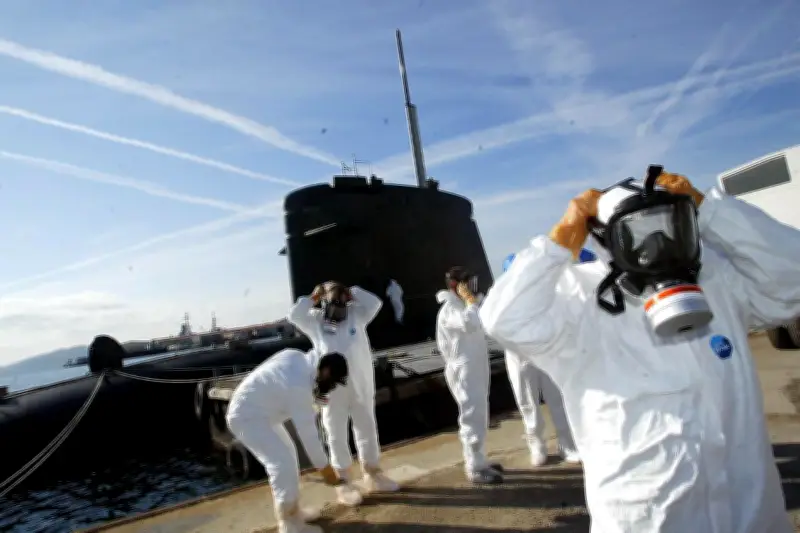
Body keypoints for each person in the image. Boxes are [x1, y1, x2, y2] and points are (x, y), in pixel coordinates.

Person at [479, 170, 800, 532]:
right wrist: (559, 241)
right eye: (639, 232)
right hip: (649, 519)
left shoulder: (716, 281)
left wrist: (713, 211)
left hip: (750, 513)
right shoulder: (577, 298)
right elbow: (504, 319)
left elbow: (793, 277)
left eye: (671, 225)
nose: (659, 244)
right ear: (606, 237)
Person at [288, 281, 399, 505]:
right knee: (335, 433)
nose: (337, 306)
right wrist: (314, 296)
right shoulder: (315, 321)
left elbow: (375, 303)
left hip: (360, 384)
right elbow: (293, 315)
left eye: (341, 300)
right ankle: (344, 482)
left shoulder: (356, 315)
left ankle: (373, 473)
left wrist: (352, 292)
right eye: (332, 300)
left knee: (367, 428)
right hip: (333, 388)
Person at [226, 348, 351, 533]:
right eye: (332, 383)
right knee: (281, 463)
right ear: (325, 372)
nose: (331, 387)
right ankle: (288, 524)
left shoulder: (298, 357)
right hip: (247, 417)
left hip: (260, 412)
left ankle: (294, 513)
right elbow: (309, 435)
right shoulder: (298, 387)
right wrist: (326, 470)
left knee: (290, 454)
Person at [500, 253, 580, 466]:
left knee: (557, 400)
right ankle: (537, 445)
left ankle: (567, 443)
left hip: (545, 353)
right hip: (521, 359)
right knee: (528, 404)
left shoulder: (541, 293)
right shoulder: (503, 299)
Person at [436, 266, 504, 484]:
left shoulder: (463, 305)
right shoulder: (450, 309)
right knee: (471, 416)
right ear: (456, 286)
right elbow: (470, 322)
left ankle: (479, 459)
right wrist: (471, 302)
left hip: (475, 364)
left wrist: (474, 301)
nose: (471, 288)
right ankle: (474, 467)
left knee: (480, 413)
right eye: (466, 284)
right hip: (463, 368)